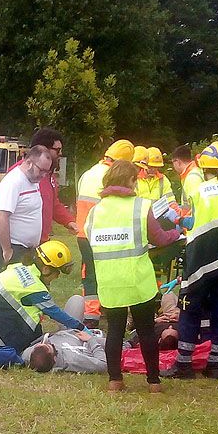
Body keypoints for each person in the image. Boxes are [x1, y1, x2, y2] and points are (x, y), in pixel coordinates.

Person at [86, 158, 182, 392]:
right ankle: (153, 383)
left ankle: (115, 381)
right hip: (138, 280)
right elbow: (159, 238)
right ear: (130, 180)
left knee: (115, 331)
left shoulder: (95, 212)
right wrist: (177, 233)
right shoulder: (141, 206)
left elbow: (91, 240)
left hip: (110, 281)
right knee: (146, 331)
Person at [166, 141, 218, 380]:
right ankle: (216, 365)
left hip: (202, 259)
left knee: (190, 310)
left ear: (205, 167)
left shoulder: (199, 191)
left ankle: (183, 365)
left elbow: (193, 224)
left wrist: (177, 219)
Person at [0, 240, 85, 352]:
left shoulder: (20, 266)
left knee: (34, 331)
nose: (58, 276)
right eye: (57, 272)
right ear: (45, 269)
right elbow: (55, 312)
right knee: (28, 343)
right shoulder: (35, 286)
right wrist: (81, 328)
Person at [73, 139, 134, 327]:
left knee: (89, 271)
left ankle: (91, 314)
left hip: (83, 232)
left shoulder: (88, 173)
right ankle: (109, 308)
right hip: (105, 233)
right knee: (109, 271)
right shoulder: (112, 176)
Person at [0, 146, 54, 272]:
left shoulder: (33, 180)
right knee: (12, 288)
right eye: (41, 170)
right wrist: (7, 250)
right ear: (29, 163)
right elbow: (1, 216)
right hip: (10, 246)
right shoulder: (13, 182)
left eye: (47, 171)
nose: (43, 175)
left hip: (25, 248)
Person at [12, 127, 78, 244]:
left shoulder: (48, 175)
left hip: (40, 242)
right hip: (19, 244)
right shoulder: (19, 174)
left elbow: (53, 204)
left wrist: (69, 221)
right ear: (42, 150)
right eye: (57, 150)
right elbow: (3, 210)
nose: (60, 154)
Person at [23, 329, 109, 374]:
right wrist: (91, 340)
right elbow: (102, 364)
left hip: (69, 331)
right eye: (50, 345)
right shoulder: (73, 360)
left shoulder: (28, 354)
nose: (48, 342)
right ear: (55, 358)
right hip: (90, 341)